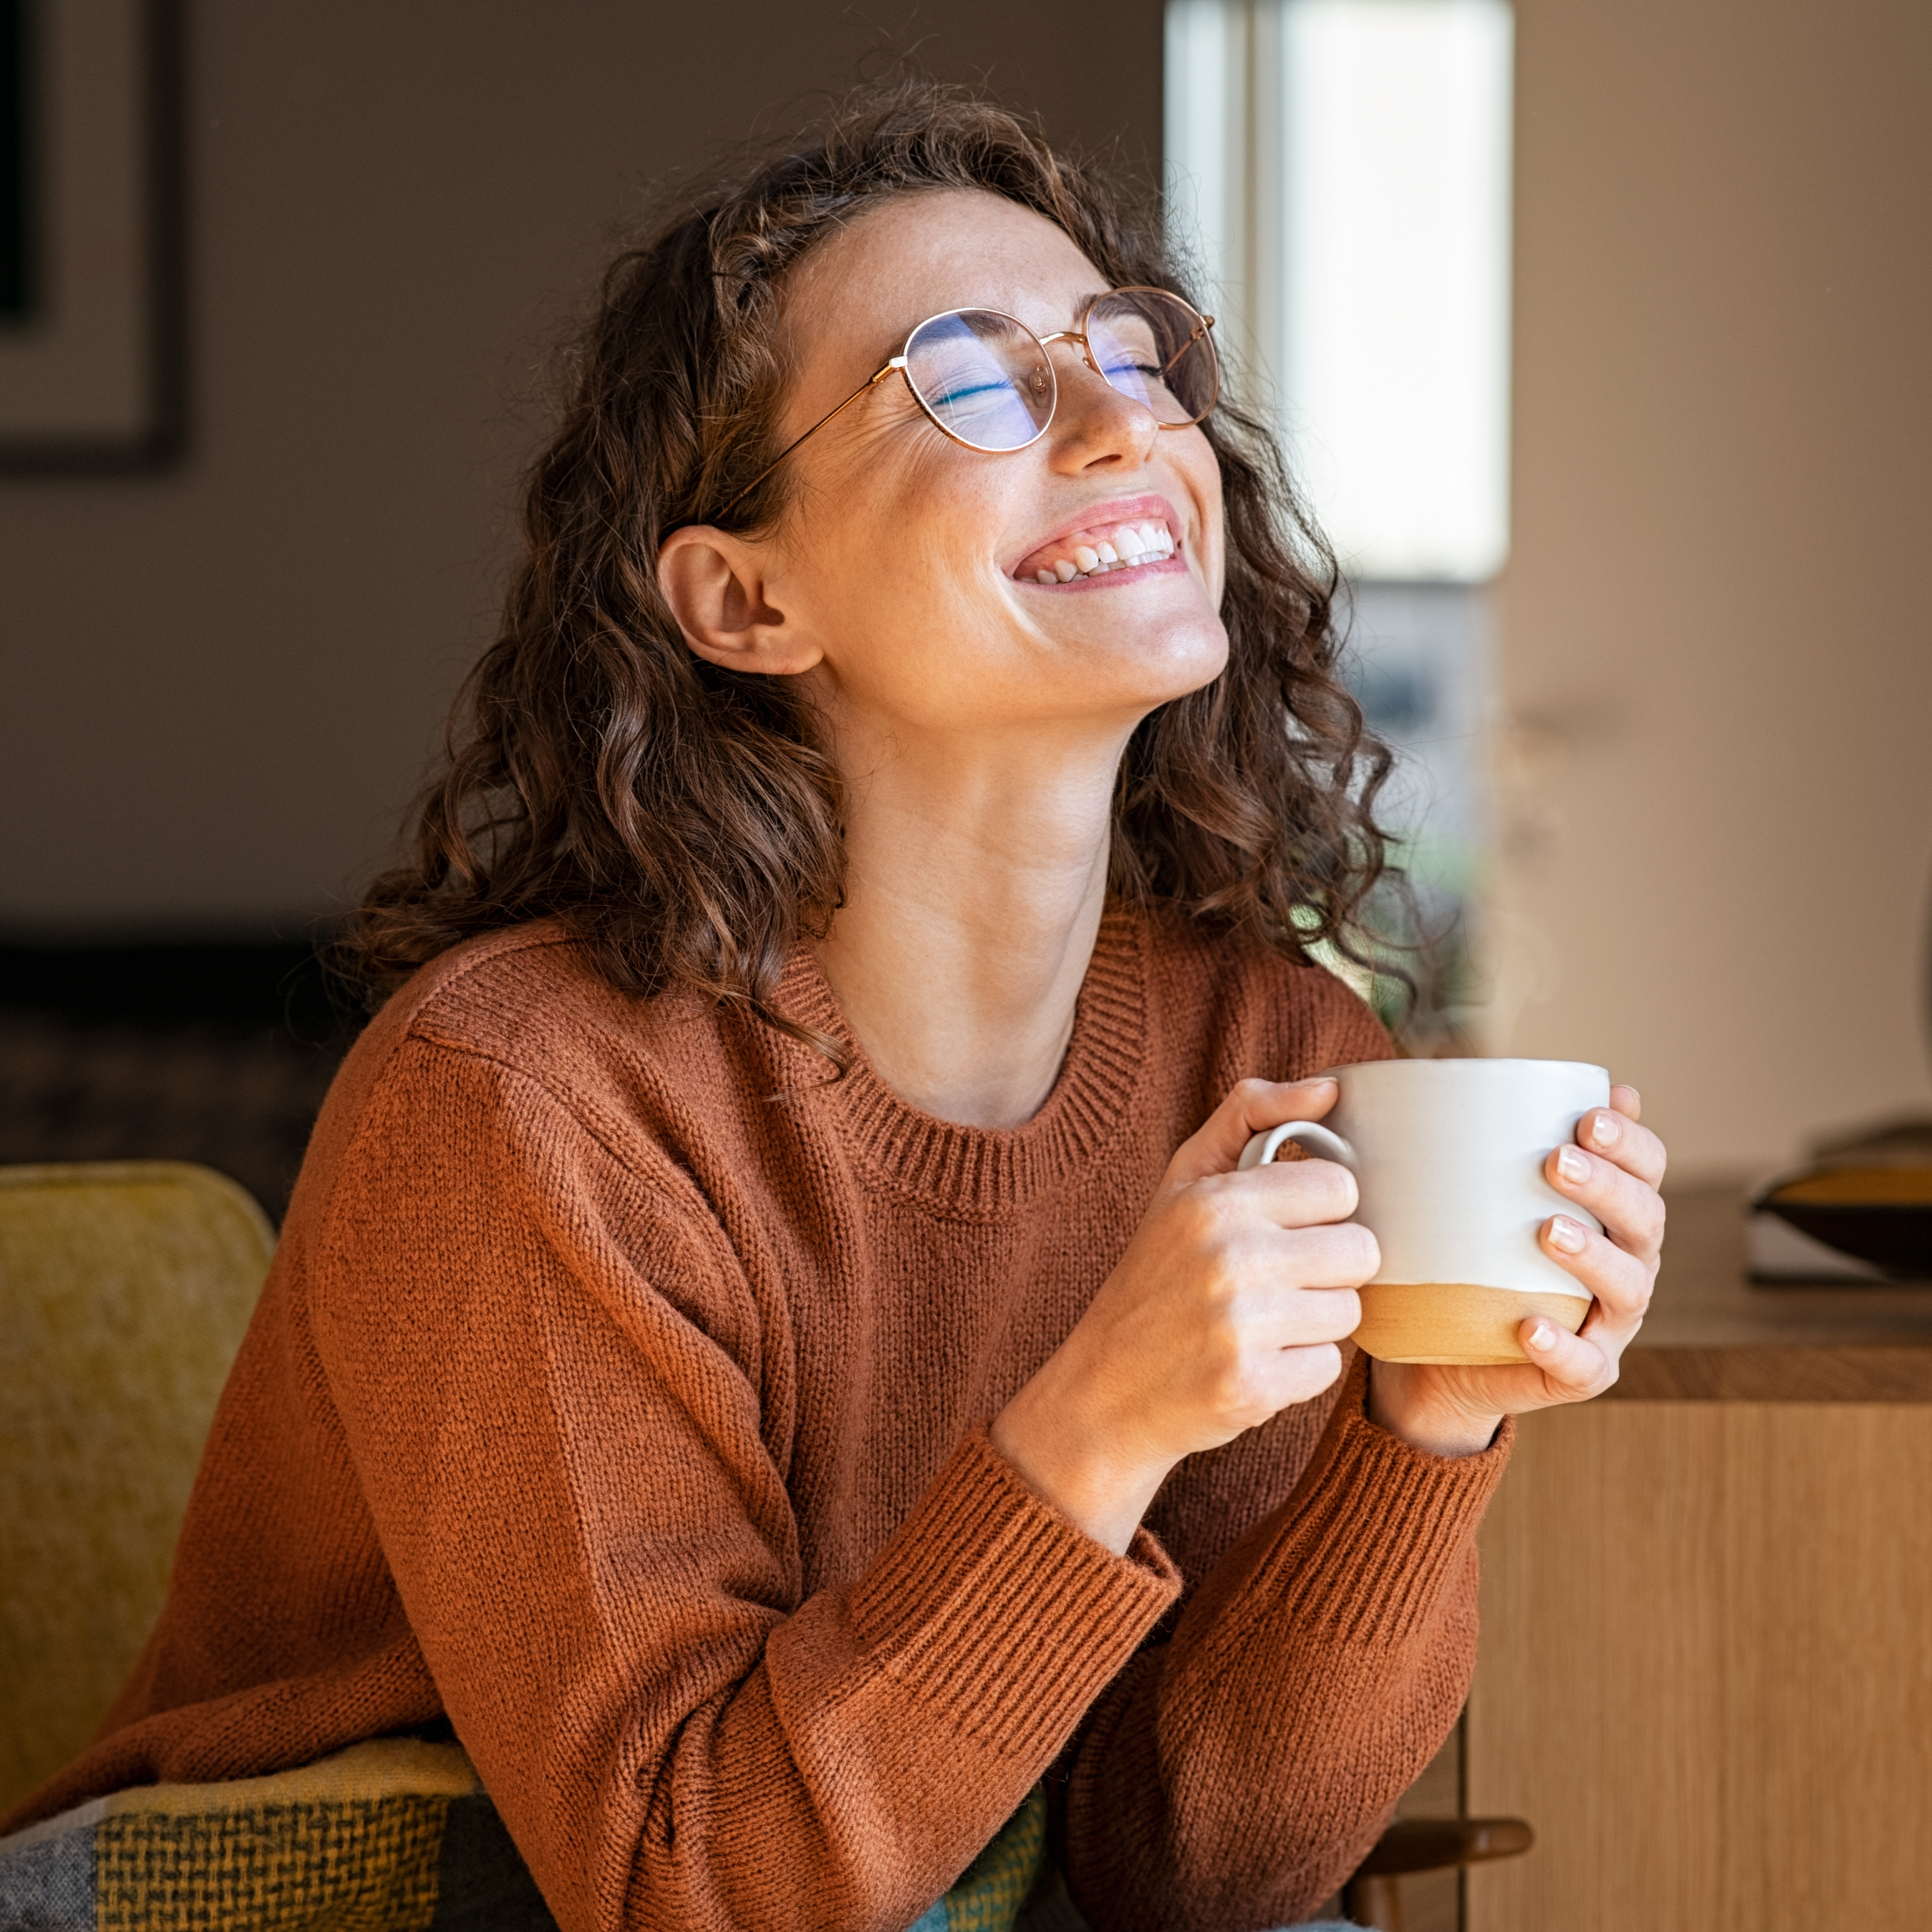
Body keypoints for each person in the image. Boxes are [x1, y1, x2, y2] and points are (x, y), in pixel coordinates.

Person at [0, 84, 1666, 1932]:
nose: (1123, 419)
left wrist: (1419, 1432)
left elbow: (1188, 1879)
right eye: (968, 379)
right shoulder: (525, 1098)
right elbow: (680, 1884)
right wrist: (1094, 1424)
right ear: (744, 596)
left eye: (1134, 351)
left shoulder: (1269, 1060)